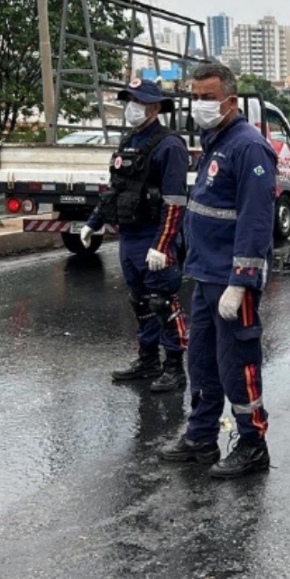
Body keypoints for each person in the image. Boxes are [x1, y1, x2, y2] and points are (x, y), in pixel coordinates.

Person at [160, 63, 277, 479]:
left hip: (230, 281)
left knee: (238, 363)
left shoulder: (248, 147)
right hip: (205, 273)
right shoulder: (216, 141)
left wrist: (242, 283)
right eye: (195, 96)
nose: (199, 105)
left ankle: (252, 443)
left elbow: (256, 221)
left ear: (230, 101)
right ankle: (201, 435)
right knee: (203, 362)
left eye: (207, 98)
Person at [80, 80, 190, 392]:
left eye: (138, 101)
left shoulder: (170, 146)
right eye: (129, 100)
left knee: (163, 303)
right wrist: (94, 222)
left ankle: (174, 367)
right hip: (129, 235)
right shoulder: (129, 141)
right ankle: (147, 360)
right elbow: (116, 189)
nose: (132, 107)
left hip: (154, 236)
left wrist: (163, 244)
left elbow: (174, 201)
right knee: (140, 302)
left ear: (154, 107)